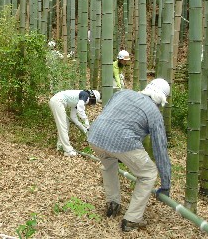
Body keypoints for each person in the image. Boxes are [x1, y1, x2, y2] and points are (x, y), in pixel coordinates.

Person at [87, 78, 171, 232]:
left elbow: (109, 112)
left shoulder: (123, 93)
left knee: (109, 165)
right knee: (148, 173)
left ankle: (113, 203)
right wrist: (165, 185)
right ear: (160, 99)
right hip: (123, 141)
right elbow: (160, 150)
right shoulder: (154, 112)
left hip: (95, 135)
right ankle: (131, 220)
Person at [49, 89, 101, 156]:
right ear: (92, 97)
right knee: (63, 125)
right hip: (58, 101)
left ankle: (60, 145)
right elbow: (80, 108)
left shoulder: (78, 100)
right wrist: (86, 121)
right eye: (91, 102)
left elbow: (73, 117)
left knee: (66, 124)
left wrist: (85, 130)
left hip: (57, 101)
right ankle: (68, 150)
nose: (89, 104)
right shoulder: (84, 95)